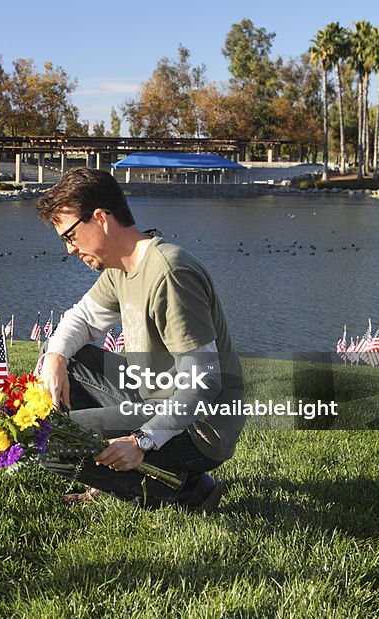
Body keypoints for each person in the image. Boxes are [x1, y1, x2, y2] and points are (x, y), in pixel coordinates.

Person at [35, 167, 245, 512]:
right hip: (154, 394)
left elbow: (204, 381)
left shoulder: (170, 273)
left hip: (201, 429)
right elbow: (82, 319)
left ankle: (179, 491)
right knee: (61, 354)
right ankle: (141, 470)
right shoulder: (121, 267)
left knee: (48, 442)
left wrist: (143, 441)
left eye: (70, 236)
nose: (70, 249)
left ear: (101, 218)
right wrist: (55, 358)